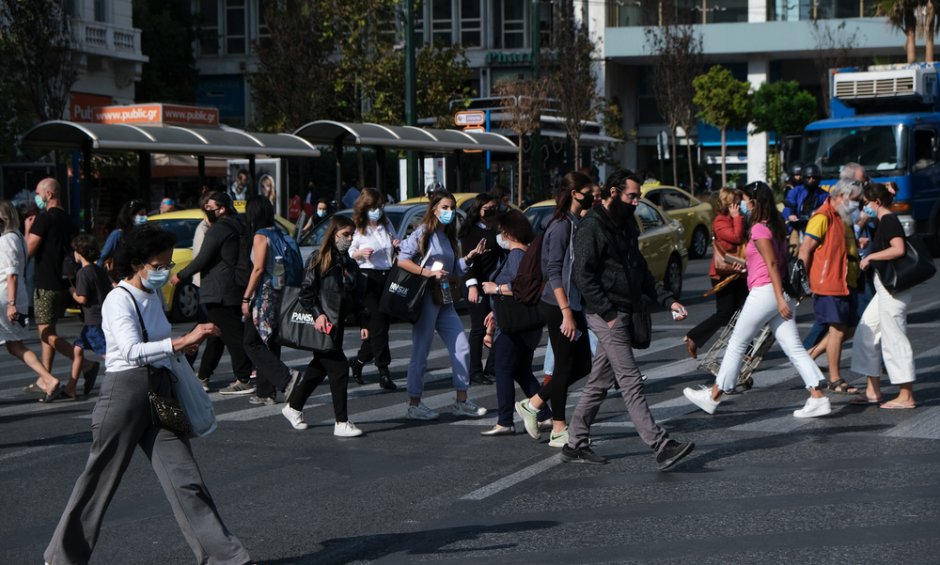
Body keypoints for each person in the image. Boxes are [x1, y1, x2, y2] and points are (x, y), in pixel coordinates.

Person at [44, 224, 250, 565]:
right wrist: (180, 342)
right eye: (159, 265)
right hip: (124, 395)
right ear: (137, 263)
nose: (165, 270)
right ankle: (62, 558)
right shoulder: (118, 299)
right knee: (98, 482)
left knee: (186, 480)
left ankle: (227, 559)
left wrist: (185, 345)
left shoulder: (152, 296)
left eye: (168, 264)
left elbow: (157, 344)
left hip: (160, 391)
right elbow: (128, 350)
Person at [562, 169, 694, 470]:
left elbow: (641, 270)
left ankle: (575, 442)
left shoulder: (626, 224)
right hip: (606, 314)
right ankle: (660, 445)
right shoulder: (591, 226)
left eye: (638, 197)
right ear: (612, 192)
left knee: (599, 381)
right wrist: (607, 314)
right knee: (631, 380)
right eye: (631, 196)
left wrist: (668, 299)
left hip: (624, 309)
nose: (636, 202)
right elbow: (583, 274)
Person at [683, 182, 832, 418]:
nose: (741, 204)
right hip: (777, 291)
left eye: (744, 199)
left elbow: (772, 264)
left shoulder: (760, 229)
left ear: (753, 202)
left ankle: (713, 397)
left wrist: (777, 299)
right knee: (792, 347)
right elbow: (770, 262)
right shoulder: (776, 225)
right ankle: (818, 396)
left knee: (737, 343)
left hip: (766, 292)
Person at [515, 172, 595, 448]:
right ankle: (559, 427)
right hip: (557, 304)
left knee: (583, 363)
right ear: (576, 193)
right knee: (563, 366)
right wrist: (567, 312)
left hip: (571, 303)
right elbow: (553, 271)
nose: (593, 196)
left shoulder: (575, 222)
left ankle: (534, 403)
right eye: (589, 191)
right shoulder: (561, 225)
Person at [396, 191, 489, 420]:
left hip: (445, 298)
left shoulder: (447, 236)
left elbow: (453, 268)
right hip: (426, 297)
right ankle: (414, 403)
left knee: (462, 347)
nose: (449, 212)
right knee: (421, 351)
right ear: (434, 209)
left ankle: (461, 400)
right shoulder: (424, 232)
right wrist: (428, 272)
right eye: (445, 207)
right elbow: (402, 260)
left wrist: (469, 258)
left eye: (452, 207)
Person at [281, 216, 367, 437]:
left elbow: (358, 297)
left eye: (351, 235)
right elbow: (306, 292)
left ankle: (293, 408)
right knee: (339, 369)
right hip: (323, 324)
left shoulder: (349, 264)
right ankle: (341, 423)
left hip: (337, 325)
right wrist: (318, 315)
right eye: (344, 235)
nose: (348, 239)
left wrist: (363, 323)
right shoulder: (319, 259)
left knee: (318, 369)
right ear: (333, 234)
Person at [173, 192, 255, 396]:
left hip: (219, 290)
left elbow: (203, 258)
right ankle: (203, 376)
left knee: (231, 335)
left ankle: (244, 378)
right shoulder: (239, 225)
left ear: (222, 209)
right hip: (232, 287)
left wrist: (180, 276)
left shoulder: (219, 229)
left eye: (210, 207)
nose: (207, 210)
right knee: (216, 334)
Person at [479, 210, 551, 436]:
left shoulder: (518, 256)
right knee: (521, 371)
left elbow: (523, 289)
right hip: (517, 322)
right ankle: (546, 415)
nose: (500, 236)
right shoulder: (522, 255)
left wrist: (495, 289)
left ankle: (504, 421)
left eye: (502, 232)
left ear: (510, 233)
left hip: (515, 325)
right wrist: (495, 310)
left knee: (502, 369)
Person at [850, 183, 918, 408]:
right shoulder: (882, 220)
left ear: (876, 203)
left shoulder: (888, 220)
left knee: (894, 338)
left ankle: (906, 395)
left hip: (893, 290)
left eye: (866, 203)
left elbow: (898, 248)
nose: (864, 208)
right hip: (884, 289)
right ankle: (872, 391)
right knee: (865, 332)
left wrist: (871, 257)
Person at [797, 179, 863, 394]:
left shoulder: (841, 217)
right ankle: (835, 379)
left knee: (849, 328)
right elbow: (805, 249)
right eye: (854, 200)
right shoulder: (822, 216)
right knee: (837, 329)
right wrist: (801, 282)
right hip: (828, 281)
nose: (857, 204)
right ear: (842, 197)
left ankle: (810, 357)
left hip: (846, 280)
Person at [27, 178, 97, 380]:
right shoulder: (69, 219)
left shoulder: (43, 219)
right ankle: (45, 377)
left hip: (46, 283)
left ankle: (86, 364)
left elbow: (29, 250)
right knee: (48, 328)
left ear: (48, 194)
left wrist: (26, 230)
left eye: (38, 192)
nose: (36, 197)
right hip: (65, 282)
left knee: (45, 333)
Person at [241, 197, 302, 405]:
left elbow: (258, 269)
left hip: (264, 296)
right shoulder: (280, 233)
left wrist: (246, 297)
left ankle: (287, 378)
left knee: (251, 341)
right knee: (270, 341)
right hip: (282, 294)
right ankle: (266, 392)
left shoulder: (260, 236)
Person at [0, 200, 61, 401]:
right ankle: (48, 379)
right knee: (15, 346)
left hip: (5, 297)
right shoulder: (16, 237)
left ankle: (48, 379)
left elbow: (12, 274)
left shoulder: (7, 239)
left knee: (16, 345)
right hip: (14, 296)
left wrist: (11, 304)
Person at [683, 187, 748, 359]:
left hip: (739, 272)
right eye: (735, 201)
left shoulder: (734, 218)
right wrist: (737, 219)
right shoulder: (720, 221)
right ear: (727, 203)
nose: (739, 204)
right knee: (725, 314)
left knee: (742, 311)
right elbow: (735, 238)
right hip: (724, 274)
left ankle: (745, 349)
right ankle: (694, 337)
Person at [348, 188, 400, 391]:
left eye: (379, 207)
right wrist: (360, 252)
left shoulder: (386, 224)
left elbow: (396, 243)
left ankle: (359, 361)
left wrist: (397, 245)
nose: (377, 211)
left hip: (387, 276)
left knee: (379, 326)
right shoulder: (358, 228)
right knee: (378, 323)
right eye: (373, 207)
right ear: (365, 207)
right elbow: (349, 252)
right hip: (367, 277)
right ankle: (383, 370)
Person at [458, 193, 503, 386]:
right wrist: (472, 285)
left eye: (494, 208)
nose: (491, 212)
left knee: (499, 325)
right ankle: (474, 371)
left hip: (494, 284)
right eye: (487, 209)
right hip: (475, 284)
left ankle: (492, 368)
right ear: (478, 209)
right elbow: (468, 262)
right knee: (478, 327)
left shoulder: (496, 229)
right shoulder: (470, 231)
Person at [66, 234, 111, 400]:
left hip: (93, 320)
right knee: (77, 349)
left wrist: (71, 292)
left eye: (75, 251)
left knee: (109, 355)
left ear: (80, 252)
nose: (74, 254)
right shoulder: (99, 270)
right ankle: (71, 387)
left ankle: (125, 379)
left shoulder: (83, 273)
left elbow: (82, 298)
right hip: (100, 318)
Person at [98, 199, 147, 273]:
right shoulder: (117, 234)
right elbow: (103, 257)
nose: (145, 217)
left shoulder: (142, 234)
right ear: (131, 216)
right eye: (141, 214)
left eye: (145, 214)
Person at [782, 163, 828, 237]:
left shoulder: (824, 195)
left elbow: (827, 209)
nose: (811, 180)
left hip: (815, 226)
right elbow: (788, 206)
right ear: (804, 178)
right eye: (808, 177)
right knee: (794, 242)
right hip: (796, 225)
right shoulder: (795, 191)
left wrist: (816, 213)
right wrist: (790, 215)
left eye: (814, 178)